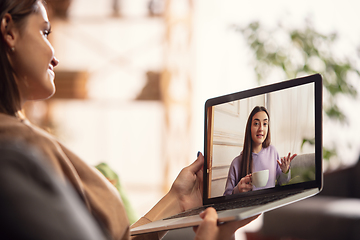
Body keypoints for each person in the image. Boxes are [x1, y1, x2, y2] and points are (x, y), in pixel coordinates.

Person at [0, 1, 257, 239]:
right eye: (45, 32)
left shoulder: (24, 139)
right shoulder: (16, 150)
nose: (55, 56)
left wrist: (177, 199)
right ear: (9, 30)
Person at [223, 106, 297, 196]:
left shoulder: (273, 152)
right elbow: (226, 197)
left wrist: (285, 171)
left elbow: (282, 182)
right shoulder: (236, 163)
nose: (261, 128)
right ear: (249, 127)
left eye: (265, 124)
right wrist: (238, 190)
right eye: (256, 123)